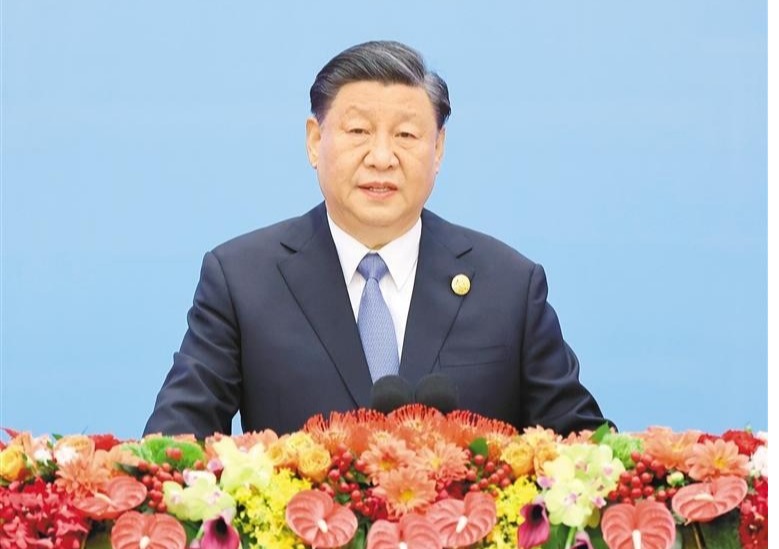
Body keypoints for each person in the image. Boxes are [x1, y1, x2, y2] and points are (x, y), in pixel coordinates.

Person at [144, 40, 609, 439]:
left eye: (406, 135)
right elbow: (174, 443)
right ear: (314, 141)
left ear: (438, 149)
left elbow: (587, 453)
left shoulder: (509, 285)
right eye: (358, 131)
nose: (382, 157)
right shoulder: (242, 279)